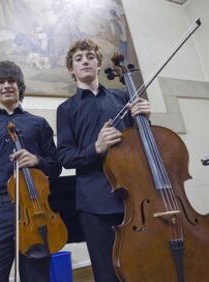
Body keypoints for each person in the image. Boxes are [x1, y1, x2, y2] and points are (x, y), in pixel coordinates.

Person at [56, 38, 151, 282]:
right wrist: (95, 147)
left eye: (90, 57)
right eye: (78, 59)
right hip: (94, 203)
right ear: (71, 70)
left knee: (142, 264)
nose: (85, 61)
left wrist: (144, 120)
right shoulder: (66, 109)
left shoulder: (122, 98)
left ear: (98, 64)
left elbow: (140, 145)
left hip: (132, 197)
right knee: (106, 271)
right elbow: (65, 156)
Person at [0, 60, 62, 282]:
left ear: (20, 86)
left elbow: (56, 166)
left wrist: (37, 159)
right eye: (1, 82)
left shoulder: (37, 123)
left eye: (12, 81)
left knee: (36, 278)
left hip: (36, 212)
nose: (7, 85)